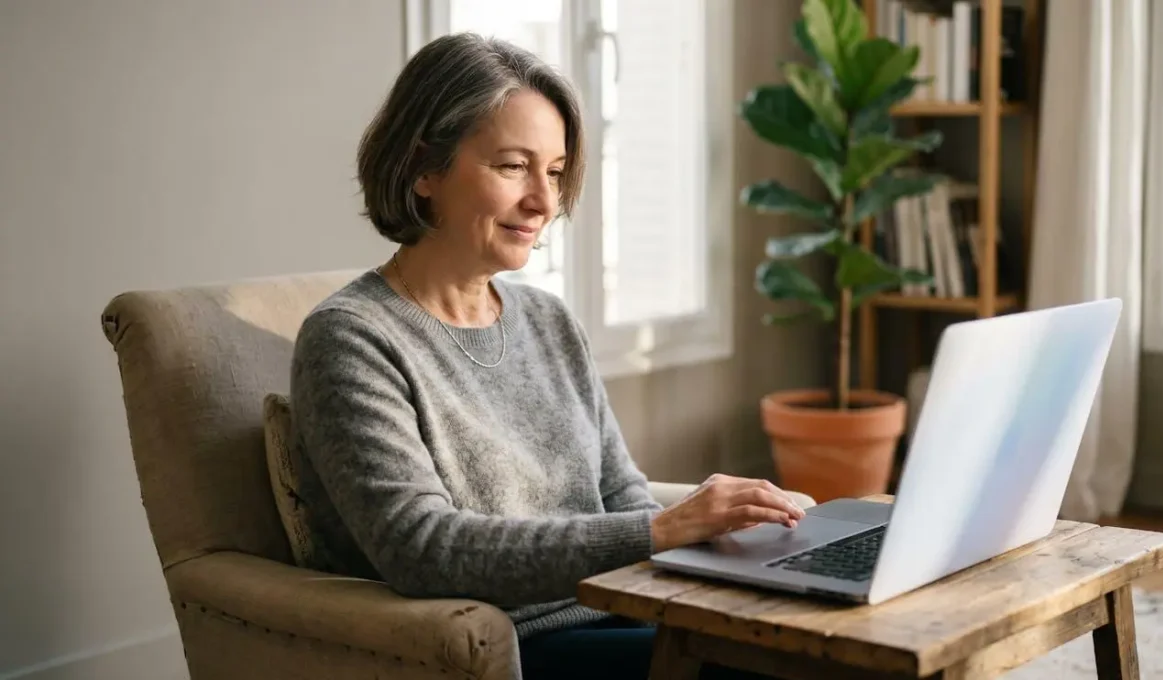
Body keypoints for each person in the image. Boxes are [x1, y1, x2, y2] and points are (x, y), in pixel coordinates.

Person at [287, 32, 806, 679]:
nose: (544, 202)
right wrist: (663, 530)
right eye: (512, 166)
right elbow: (423, 547)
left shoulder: (548, 320)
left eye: (555, 172)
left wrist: (737, 530)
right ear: (424, 168)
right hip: (517, 646)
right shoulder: (351, 338)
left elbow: (619, 493)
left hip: (632, 609)